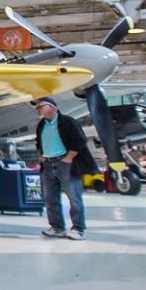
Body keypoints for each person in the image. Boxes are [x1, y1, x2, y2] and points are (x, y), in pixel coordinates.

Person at [33, 97, 90, 239]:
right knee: (50, 198)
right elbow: (38, 142)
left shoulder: (68, 121)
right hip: (48, 164)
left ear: (53, 107)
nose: (39, 108)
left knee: (74, 198)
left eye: (42, 106)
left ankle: (78, 228)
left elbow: (80, 140)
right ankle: (57, 227)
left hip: (65, 163)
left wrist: (69, 157)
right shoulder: (41, 124)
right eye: (38, 107)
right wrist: (41, 154)